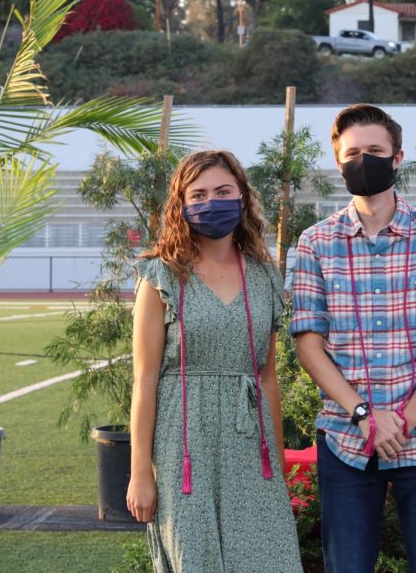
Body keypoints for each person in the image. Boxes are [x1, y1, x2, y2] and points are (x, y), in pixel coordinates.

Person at [291, 104, 416, 573]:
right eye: (353, 152)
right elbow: (309, 345)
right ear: (338, 161)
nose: (363, 159)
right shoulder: (315, 243)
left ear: (397, 158)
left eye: (375, 150)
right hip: (346, 439)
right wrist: (363, 415)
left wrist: (404, 420)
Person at [126, 150, 302, 573]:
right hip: (183, 443)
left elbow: (267, 377)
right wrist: (139, 472)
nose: (212, 201)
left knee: (269, 558)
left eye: (223, 191)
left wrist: (276, 466)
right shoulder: (161, 276)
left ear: (241, 197)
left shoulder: (263, 276)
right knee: (196, 559)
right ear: (181, 205)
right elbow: (145, 379)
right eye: (199, 194)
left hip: (249, 444)